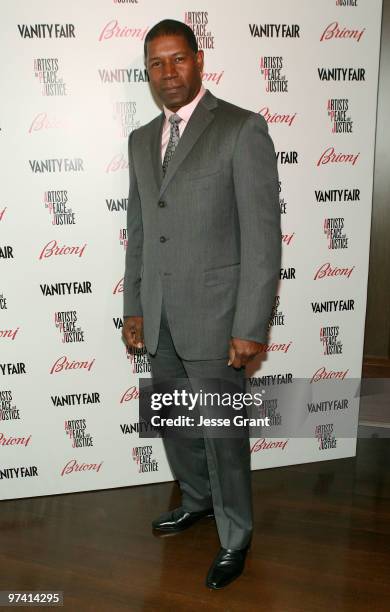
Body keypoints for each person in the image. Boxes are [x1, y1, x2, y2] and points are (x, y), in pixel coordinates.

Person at [122, 19, 281, 589]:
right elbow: (139, 231)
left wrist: (250, 323)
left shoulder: (241, 128)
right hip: (159, 313)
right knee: (173, 423)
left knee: (223, 436)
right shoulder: (141, 140)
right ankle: (196, 500)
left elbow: (263, 238)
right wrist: (134, 307)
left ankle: (236, 534)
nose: (168, 73)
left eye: (178, 60)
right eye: (156, 64)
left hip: (218, 318)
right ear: (148, 72)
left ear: (198, 59)